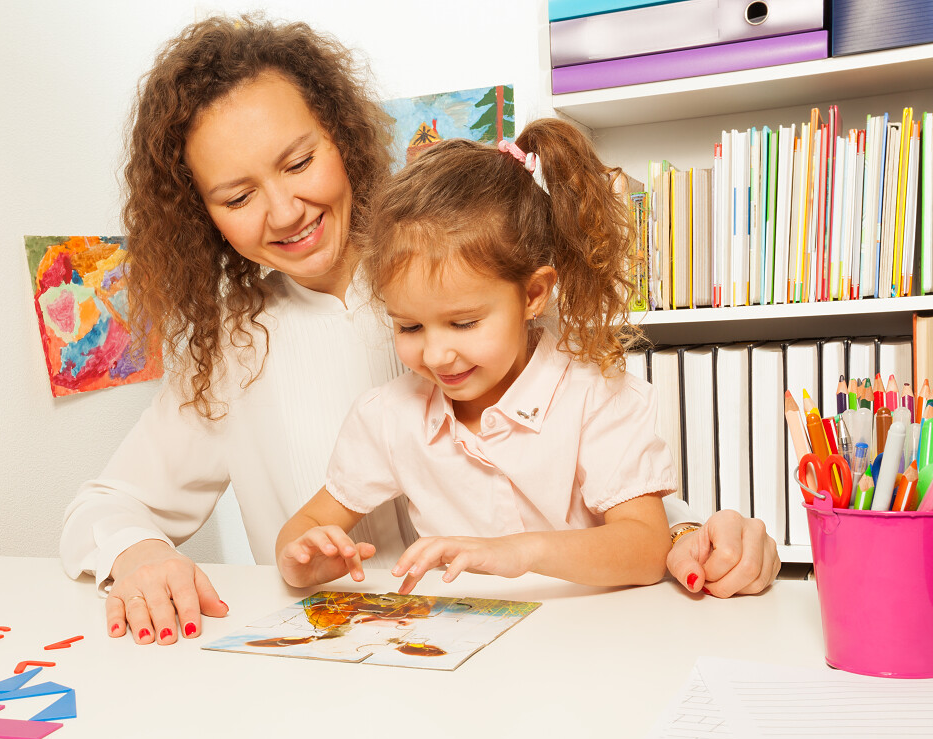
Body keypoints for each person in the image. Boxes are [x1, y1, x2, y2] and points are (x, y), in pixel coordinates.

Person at [60, 15, 780, 646]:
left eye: (299, 161)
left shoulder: (471, 268)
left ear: (342, 136)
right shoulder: (230, 351)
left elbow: (596, 481)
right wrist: (142, 553)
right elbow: (103, 505)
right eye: (239, 195)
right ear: (202, 215)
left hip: (556, 651)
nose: (282, 211)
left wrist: (694, 535)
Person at [279, 130, 680, 593]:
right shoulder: (387, 416)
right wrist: (302, 556)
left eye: (464, 323)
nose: (435, 355)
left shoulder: (594, 396)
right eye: (409, 327)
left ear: (532, 294)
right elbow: (307, 523)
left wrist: (519, 551)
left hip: (584, 642)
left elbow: (648, 547)